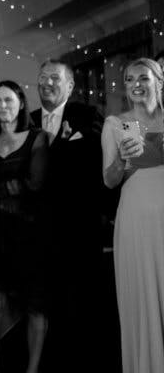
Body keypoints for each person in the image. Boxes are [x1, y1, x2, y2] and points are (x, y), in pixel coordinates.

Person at [30, 59, 107, 371]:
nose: (48, 83)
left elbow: (107, 166)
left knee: (78, 306)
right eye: (43, 77)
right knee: (40, 306)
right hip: (36, 230)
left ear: (71, 86)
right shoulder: (28, 119)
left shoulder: (87, 117)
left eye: (55, 78)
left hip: (77, 230)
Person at [0, 80, 49, 373]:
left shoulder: (37, 138)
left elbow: (34, 183)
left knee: (35, 305)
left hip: (29, 233)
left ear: (20, 103)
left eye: (8, 100)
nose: (2, 106)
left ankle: (32, 369)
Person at [102, 58, 164, 373]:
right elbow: (109, 180)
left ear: (159, 81)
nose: (136, 84)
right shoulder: (116, 124)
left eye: (143, 77)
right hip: (137, 223)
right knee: (145, 300)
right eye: (129, 80)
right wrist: (123, 160)